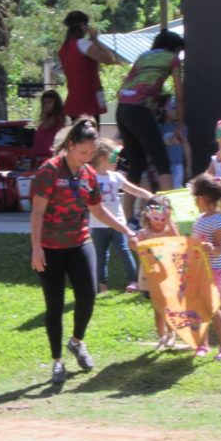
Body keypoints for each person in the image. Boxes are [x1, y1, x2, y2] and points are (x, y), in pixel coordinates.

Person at [30, 117, 137, 384]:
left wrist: (127, 231)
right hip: (50, 247)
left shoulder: (88, 174)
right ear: (70, 145)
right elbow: (37, 212)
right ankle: (57, 361)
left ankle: (76, 342)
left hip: (80, 242)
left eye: (90, 153)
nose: (86, 158)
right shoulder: (49, 170)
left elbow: (98, 210)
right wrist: (36, 248)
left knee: (88, 297)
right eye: (82, 152)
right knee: (54, 305)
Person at [116, 29, 185, 196]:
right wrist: (180, 125)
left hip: (122, 108)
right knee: (161, 161)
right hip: (139, 109)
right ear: (175, 48)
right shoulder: (172, 59)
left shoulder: (143, 57)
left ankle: (127, 211)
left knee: (137, 164)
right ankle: (170, 206)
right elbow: (179, 95)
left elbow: (121, 89)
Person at [89, 139, 153, 294]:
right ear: (102, 157)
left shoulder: (116, 177)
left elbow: (134, 190)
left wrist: (150, 196)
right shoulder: (91, 177)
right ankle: (102, 288)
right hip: (97, 224)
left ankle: (134, 282)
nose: (118, 159)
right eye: (114, 156)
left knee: (124, 251)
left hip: (118, 223)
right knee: (101, 256)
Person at [190, 173, 221, 360]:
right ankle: (202, 344)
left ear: (202, 198)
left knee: (212, 307)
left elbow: (220, 249)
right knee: (198, 307)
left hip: (214, 271)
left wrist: (211, 248)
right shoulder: (201, 218)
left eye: (195, 197)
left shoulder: (218, 220)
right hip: (199, 270)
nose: (194, 201)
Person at [135, 196, 180, 349]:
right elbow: (140, 251)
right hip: (151, 275)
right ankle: (162, 337)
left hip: (168, 275)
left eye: (164, 214)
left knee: (167, 305)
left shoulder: (169, 231)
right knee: (157, 308)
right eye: (156, 214)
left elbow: (177, 239)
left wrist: (169, 220)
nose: (160, 219)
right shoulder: (144, 233)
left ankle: (171, 333)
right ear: (147, 214)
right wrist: (135, 243)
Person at [58, 11, 115, 126]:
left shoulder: (64, 48)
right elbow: (109, 59)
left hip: (74, 99)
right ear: (82, 25)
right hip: (88, 99)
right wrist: (96, 40)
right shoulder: (83, 44)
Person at [160, 97, 192, 189]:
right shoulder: (159, 127)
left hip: (178, 166)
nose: (176, 111)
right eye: (173, 108)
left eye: (177, 109)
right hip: (163, 166)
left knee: (175, 190)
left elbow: (186, 145)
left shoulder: (180, 127)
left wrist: (189, 166)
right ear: (164, 110)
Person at [32, 90, 66, 158]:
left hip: (49, 153)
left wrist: (45, 114)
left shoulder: (56, 116)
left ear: (56, 103)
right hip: (42, 152)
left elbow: (46, 126)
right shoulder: (49, 116)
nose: (46, 105)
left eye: (49, 102)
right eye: (44, 103)